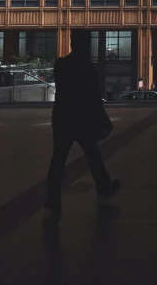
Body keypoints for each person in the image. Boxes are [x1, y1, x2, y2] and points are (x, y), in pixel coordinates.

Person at [43, 31, 120, 227]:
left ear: (71, 44)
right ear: (86, 47)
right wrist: (104, 122)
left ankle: (52, 207)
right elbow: (94, 101)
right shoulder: (88, 70)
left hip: (62, 120)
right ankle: (103, 187)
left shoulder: (60, 65)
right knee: (93, 155)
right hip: (82, 121)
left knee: (57, 163)